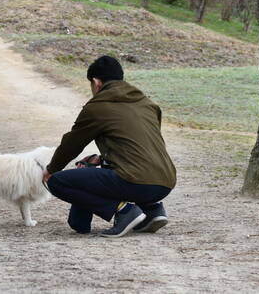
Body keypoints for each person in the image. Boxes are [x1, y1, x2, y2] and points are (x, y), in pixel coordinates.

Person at [43, 56, 176, 238]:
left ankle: (124, 210)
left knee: (58, 182)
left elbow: (72, 143)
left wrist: (52, 169)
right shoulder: (148, 104)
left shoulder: (98, 107)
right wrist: (104, 158)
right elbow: (138, 144)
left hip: (136, 181)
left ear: (96, 83)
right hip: (165, 182)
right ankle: (152, 210)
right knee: (112, 171)